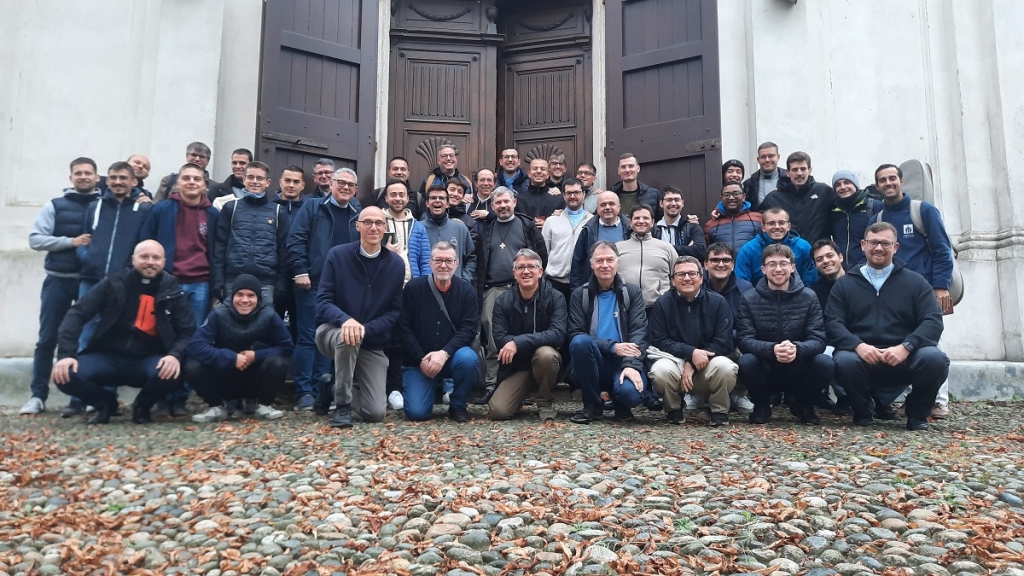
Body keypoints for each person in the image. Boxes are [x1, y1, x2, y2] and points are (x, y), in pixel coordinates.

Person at [51, 240, 196, 424]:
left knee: (173, 372)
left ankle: (142, 407)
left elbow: (187, 331)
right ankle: (105, 404)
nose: (150, 262)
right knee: (65, 375)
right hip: (107, 357)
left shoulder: (173, 290)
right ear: (133, 259)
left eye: (156, 258)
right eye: (144, 257)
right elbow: (77, 314)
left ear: (164, 262)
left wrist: (174, 355)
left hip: (148, 359)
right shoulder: (113, 283)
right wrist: (66, 355)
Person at [826, 222, 949, 431]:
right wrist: (857, 345)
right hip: (861, 357)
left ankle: (917, 413)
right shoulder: (845, 284)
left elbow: (933, 320)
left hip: (904, 356)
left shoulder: (916, 282)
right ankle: (862, 411)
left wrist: (906, 347)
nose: (879, 248)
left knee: (934, 358)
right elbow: (833, 322)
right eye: (873, 242)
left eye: (885, 243)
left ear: (896, 247)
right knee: (843, 360)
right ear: (863, 245)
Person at [874, 163, 957, 418]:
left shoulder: (923, 211)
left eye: (892, 178)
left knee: (931, 342)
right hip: (892, 294)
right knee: (903, 343)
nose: (888, 183)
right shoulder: (878, 219)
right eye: (882, 180)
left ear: (902, 181)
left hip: (926, 291)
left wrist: (941, 286)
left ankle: (939, 401)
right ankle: (913, 399)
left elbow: (942, 249)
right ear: (877, 186)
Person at [21, 157, 102, 416]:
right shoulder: (54, 206)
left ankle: (84, 397)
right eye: (78, 173)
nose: (83, 177)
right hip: (58, 281)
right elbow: (35, 239)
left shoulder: (105, 205)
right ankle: (37, 396)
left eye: (87, 173)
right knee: (48, 339)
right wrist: (70, 242)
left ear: (96, 177)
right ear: (71, 178)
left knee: (87, 340)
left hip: (92, 283)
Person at [315, 206, 405, 427]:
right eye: (367, 222)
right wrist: (345, 321)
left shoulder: (396, 265)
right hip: (332, 332)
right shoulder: (338, 255)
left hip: (371, 340)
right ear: (358, 226)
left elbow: (393, 312)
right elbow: (323, 301)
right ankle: (342, 406)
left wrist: (365, 329)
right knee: (348, 336)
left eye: (378, 223)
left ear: (385, 228)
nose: (373, 227)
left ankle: (330, 388)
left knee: (375, 412)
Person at [285, 167, 362, 411]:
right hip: (313, 282)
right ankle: (304, 392)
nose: (346, 187)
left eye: (351, 185)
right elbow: (296, 239)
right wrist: (300, 270)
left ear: (356, 190)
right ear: (332, 183)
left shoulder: (357, 214)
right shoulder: (312, 207)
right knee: (308, 337)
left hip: (344, 288)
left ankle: (325, 391)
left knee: (334, 339)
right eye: (342, 182)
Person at [736, 244, 833, 425]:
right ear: (763, 269)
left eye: (783, 263)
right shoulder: (749, 298)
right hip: (766, 365)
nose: (778, 269)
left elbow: (818, 339)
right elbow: (744, 339)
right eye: (772, 264)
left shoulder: (809, 296)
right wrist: (772, 349)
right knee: (746, 361)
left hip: (799, 364)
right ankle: (762, 406)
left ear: (793, 267)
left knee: (825, 362)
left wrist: (797, 348)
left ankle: (804, 406)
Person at [186, 274, 292, 422]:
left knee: (278, 363)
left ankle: (264, 405)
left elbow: (287, 346)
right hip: (225, 376)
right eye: (240, 294)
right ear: (232, 296)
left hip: (255, 378)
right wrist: (231, 358)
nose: (245, 300)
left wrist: (256, 355)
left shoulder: (270, 316)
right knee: (192, 366)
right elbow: (195, 346)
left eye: (251, 295)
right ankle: (216, 407)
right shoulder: (217, 314)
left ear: (258, 298)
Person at [76, 162, 154, 364]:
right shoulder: (95, 206)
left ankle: (109, 383)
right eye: (113, 177)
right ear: (107, 180)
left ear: (133, 181)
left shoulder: (144, 209)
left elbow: (146, 244)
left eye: (123, 178)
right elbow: (84, 238)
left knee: (115, 334)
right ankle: (81, 382)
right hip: (91, 280)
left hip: (123, 283)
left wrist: (131, 271)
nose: (117, 182)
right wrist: (87, 257)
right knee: (85, 331)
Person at [648, 256, 739, 426]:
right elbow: (659, 340)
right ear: (673, 280)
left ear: (701, 277)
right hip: (675, 364)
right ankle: (673, 408)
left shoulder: (718, 302)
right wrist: (690, 353)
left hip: (708, 364)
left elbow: (724, 342)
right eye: (681, 274)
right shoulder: (663, 303)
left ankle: (719, 410)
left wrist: (693, 362)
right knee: (659, 370)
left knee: (726, 367)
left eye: (692, 273)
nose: (687, 278)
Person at [396, 242, 479, 422]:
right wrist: (421, 359)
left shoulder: (467, 292)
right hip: (419, 361)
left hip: (452, 357)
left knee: (468, 359)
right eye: (438, 260)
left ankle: (458, 405)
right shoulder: (413, 289)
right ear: (430, 262)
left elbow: (468, 330)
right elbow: (404, 328)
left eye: (448, 261)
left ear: (456, 263)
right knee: (417, 413)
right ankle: (427, 390)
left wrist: (444, 353)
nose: (443, 265)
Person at [475, 188, 548, 393]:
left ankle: (527, 386)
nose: (503, 206)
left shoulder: (527, 226)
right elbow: (480, 260)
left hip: (523, 289)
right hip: (493, 289)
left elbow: (542, 256)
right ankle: (492, 385)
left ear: (514, 202)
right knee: (492, 338)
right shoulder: (486, 228)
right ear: (492, 206)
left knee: (524, 336)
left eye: (506, 201)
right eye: (498, 203)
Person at [567, 241, 649, 424]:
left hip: (623, 360)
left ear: (617, 263)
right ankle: (592, 403)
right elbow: (575, 333)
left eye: (609, 260)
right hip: (595, 360)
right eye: (599, 260)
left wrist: (631, 365)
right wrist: (612, 347)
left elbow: (639, 332)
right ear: (591, 264)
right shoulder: (580, 295)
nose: (605, 265)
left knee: (631, 394)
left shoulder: (632, 292)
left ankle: (621, 404)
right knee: (580, 342)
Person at [489, 249, 566, 421]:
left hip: (546, 364)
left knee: (545, 354)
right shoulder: (503, 301)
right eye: (520, 267)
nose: (526, 271)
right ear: (514, 273)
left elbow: (558, 334)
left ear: (540, 271)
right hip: (518, 367)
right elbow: (500, 338)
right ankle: (521, 393)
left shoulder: (556, 297)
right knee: (498, 411)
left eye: (531, 266)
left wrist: (517, 343)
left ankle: (544, 402)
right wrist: (515, 344)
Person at [381, 178, 432, 411]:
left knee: (403, 341)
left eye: (401, 194)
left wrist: (423, 288)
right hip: (382, 292)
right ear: (386, 197)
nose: (398, 198)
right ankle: (380, 388)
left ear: (408, 197)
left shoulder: (418, 226)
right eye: (393, 194)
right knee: (383, 340)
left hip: (409, 292)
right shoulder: (378, 222)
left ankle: (397, 388)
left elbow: (425, 259)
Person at [212, 161, 289, 306]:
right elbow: (220, 245)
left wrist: (282, 282)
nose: (255, 181)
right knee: (231, 319)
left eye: (260, 178)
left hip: (266, 282)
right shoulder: (231, 208)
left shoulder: (278, 211)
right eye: (250, 177)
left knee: (265, 320)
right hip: (233, 279)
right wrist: (218, 279)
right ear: (244, 179)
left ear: (267, 182)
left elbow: (283, 250)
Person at [759, 151, 836, 243]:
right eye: (795, 170)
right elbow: (760, 224)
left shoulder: (824, 192)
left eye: (803, 169)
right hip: (786, 250)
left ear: (810, 170)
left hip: (818, 250)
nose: (799, 173)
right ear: (787, 172)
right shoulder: (774, 198)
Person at [735, 207, 817, 287]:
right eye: (771, 223)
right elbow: (742, 283)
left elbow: (811, 281)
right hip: (758, 294)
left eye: (781, 223)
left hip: (798, 294)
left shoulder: (803, 247)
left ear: (788, 226)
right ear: (763, 227)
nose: (777, 227)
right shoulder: (748, 250)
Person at [616, 204, 678, 308]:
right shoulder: (617, 248)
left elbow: (677, 276)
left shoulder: (666, 248)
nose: (641, 221)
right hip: (625, 307)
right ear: (630, 222)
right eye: (637, 218)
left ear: (652, 222)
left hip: (659, 308)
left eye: (645, 218)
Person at [541, 178, 592, 302]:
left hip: (583, 282)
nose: (572, 196)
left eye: (576, 192)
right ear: (563, 195)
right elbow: (543, 252)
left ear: (584, 194)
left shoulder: (592, 221)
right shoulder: (552, 221)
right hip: (554, 282)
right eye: (569, 193)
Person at [570, 191, 631, 291]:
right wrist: (576, 292)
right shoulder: (588, 230)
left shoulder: (630, 229)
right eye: (603, 205)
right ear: (597, 209)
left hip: (625, 288)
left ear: (619, 207)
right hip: (594, 289)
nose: (607, 207)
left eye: (611, 204)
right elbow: (577, 264)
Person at [420, 183, 476, 283]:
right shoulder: (418, 228)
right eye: (433, 198)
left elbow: (471, 258)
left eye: (441, 198)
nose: (437, 201)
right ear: (427, 203)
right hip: (426, 286)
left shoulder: (460, 228)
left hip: (456, 287)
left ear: (447, 203)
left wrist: (465, 280)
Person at [830, 169, 882, 268]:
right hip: (842, 270)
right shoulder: (834, 211)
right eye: (838, 185)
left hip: (869, 267)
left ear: (855, 185)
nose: (843, 187)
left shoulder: (874, 206)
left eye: (847, 182)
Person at [703, 183, 762, 253]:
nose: (731, 197)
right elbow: (707, 251)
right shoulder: (711, 224)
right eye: (726, 194)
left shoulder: (758, 219)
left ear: (743, 197)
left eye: (736, 193)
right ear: (721, 198)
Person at [653, 186, 707, 260]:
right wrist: (687, 249)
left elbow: (701, 252)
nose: (673, 203)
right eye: (669, 200)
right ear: (661, 203)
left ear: (682, 203)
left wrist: (662, 249)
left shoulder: (692, 227)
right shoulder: (653, 229)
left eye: (677, 200)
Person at [516, 158, 565, 229]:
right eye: (535, 168)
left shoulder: (558, 199)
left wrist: (548, 225)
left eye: (542, 169)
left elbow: (564, 225)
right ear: (529, 173)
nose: (539, 171)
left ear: (548, 175)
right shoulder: (519, 200)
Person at [610, 153, 660, 219]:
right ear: (619, 171)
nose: (627, 170)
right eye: (623, 167)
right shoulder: (610, 195)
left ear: (638, 168)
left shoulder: (653, 195)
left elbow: (659, 221)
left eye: (631, 166)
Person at [742, 142, 786, 207]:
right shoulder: (748, 184)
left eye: (771, 156)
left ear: (778, 157)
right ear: (758, 160)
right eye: (763, 157)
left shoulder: (789, 180)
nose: (767, 160)